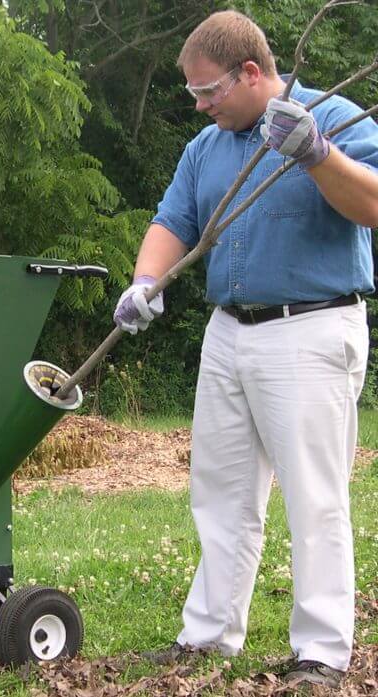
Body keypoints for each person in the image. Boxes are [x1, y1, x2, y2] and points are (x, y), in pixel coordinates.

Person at [113, 10, 378, 689]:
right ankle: (207, 634)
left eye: (208, 92)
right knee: (221, 492)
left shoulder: (337, 117)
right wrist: (147, 279)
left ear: (252, 73)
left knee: (314, 497)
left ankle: (321, 651)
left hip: (311, 328)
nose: (201, 105)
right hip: (229, 332)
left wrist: (317, 153)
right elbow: (173, 220)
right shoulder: (208, 146)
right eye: (194, 95)